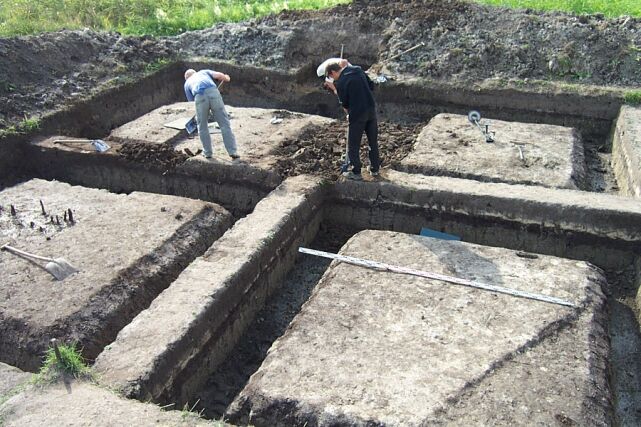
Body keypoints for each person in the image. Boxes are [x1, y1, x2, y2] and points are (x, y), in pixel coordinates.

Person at [324, 62, 380, 180]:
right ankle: (375, 168)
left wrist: (335, 90)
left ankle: (356, 172)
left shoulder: (341, 83)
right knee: (373, 142)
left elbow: (345, 104)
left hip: (357, 114)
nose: (333, 79)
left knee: (353, 145)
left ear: (333, 72)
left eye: (331, 76)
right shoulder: (358, 69)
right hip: (371, 110)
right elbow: (371, 86)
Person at [184, 69, 239, 160]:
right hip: (214, 93)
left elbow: (191, 101)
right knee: (224, 124)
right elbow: (219, 76)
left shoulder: (187, 84)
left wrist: (203, 109)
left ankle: (208, 153)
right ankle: (232, 151)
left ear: (186, 78)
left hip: (199, 96)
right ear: (195, 72)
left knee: (202, 126)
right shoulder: (203, 72)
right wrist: (226, 78)